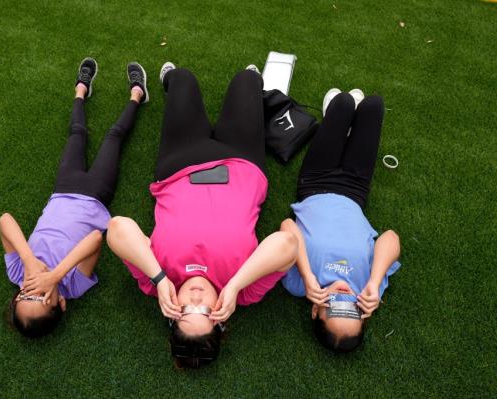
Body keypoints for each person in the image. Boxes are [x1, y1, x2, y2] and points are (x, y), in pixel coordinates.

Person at [106, 63, 299, 368]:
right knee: (247, 79)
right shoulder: (244, 291)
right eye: (206, 313)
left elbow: (117, 228)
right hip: (242, 163)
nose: (195, 300)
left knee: (182, 79)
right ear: (221, 317)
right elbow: (288, 244)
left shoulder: (156, 281)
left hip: (180, 165)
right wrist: (234, 285)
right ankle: (249, 83)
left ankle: (170, 79)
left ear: (172, 312)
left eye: (185, 312)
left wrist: (158, 278)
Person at [0, 58, 149, 338]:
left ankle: (81, 89)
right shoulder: (72, 286)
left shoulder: (18, 272)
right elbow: (94, 240)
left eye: (25, 298)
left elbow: (5, 220)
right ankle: (137, 94)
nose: (35, 291)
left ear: (17, 296)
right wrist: (55, 277)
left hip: (63, 189)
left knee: (77, 134)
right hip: (95, 193)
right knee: (113, 138)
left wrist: (30, 261)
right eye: (43, 299)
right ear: (61, 303)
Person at [280, 88, 401, 352]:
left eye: (335, 308)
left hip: (315, 183)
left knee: (344, 102)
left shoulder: (299, 285)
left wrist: (308, 274)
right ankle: (343, 128)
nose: (344, 298)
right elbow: (391, 237)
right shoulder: (367, 288)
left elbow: (287, 227)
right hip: (355, 189)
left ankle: (336, 119)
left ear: (315, 311)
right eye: (353, 311)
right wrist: (373, 281)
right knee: (373, 105)